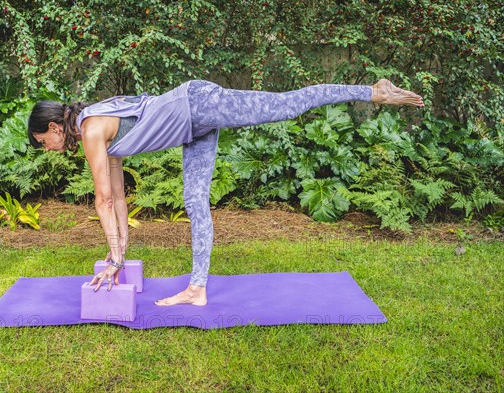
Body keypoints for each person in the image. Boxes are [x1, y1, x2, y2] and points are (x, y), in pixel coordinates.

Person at [27, 78, 424, 306]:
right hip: (191, 126)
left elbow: (104, 201)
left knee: (283, 106)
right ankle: (197, 288)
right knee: (195, 202)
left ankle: (372, 91)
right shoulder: (94, 126)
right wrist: (117, 256)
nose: (45, 147)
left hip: (198, 103)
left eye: (41, 140)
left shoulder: (93, 128)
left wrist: (114, 257)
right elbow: (117, 197)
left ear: (55, 128)